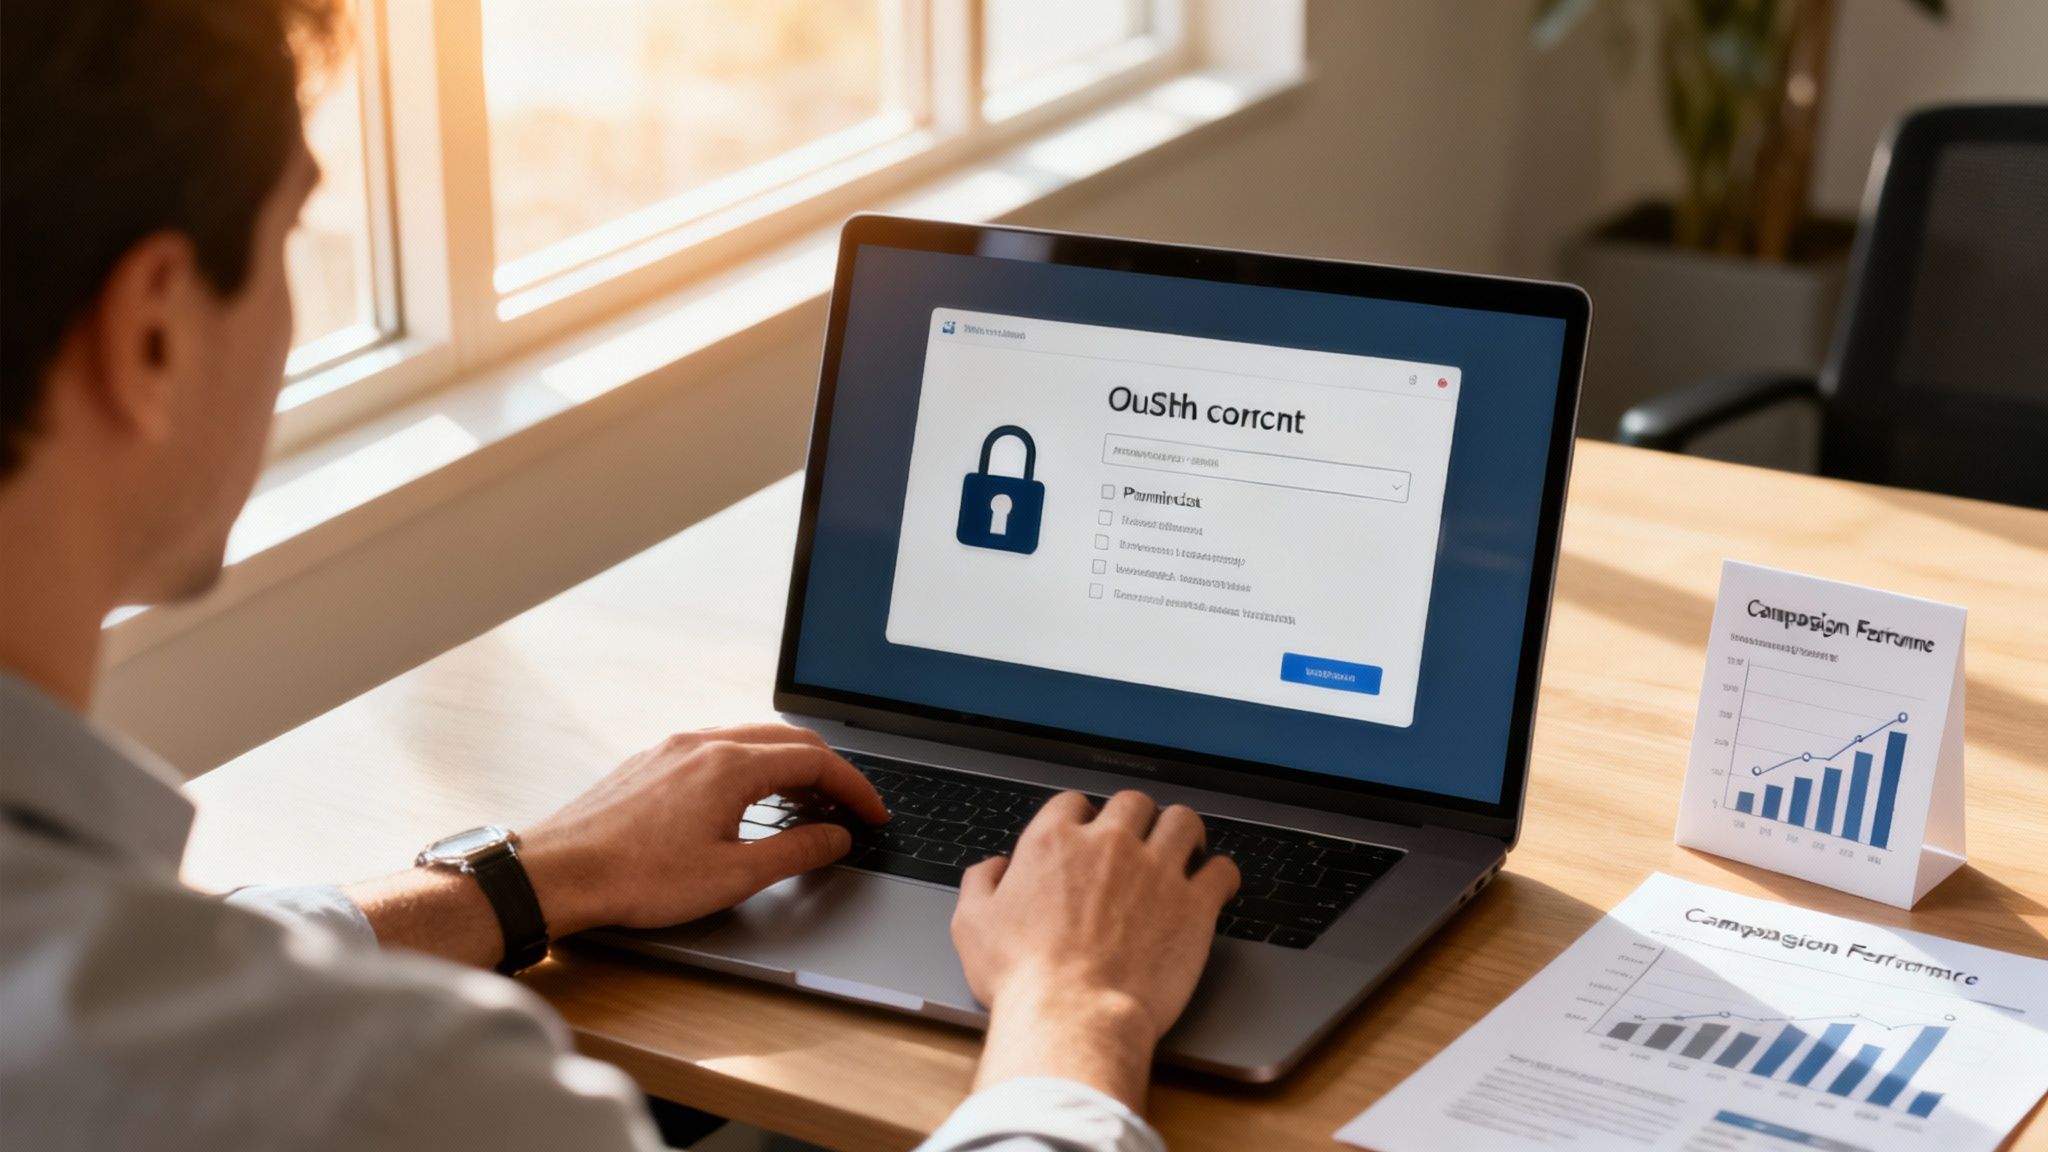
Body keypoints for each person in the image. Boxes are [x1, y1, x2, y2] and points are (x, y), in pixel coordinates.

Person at [0, 2, 1242, 1150]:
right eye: (289, 242)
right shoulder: (387, 1089)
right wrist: (1077, 1005)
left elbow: (157, 983)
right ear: (152, 332)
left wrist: (527, 877)